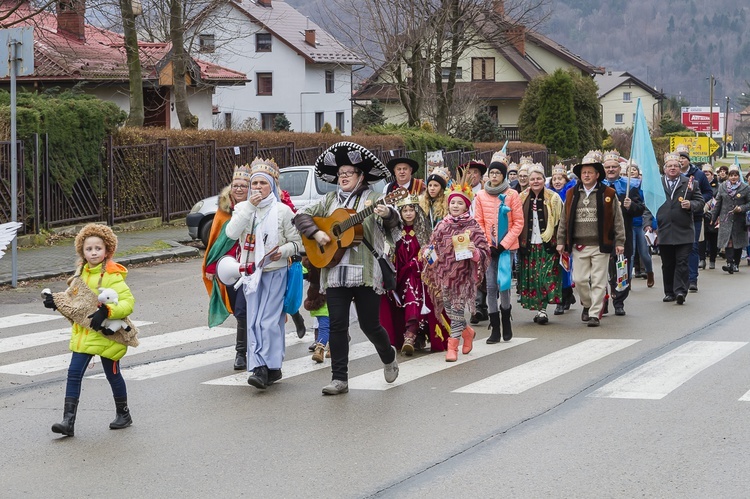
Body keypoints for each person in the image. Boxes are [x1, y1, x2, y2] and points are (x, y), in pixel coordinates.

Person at [294, 142, 400, 395]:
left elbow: (394, 224)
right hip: (334, 273)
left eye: (348, 173)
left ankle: (388, 355)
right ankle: (339, 379)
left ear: (361, 176)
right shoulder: (328, 200)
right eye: (340, 174)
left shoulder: (374, 199)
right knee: (337, 325)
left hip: (365, 273)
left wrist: (387, 214)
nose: (343, 177)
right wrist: (317, 233)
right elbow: (300, 215)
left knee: (369, 325)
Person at [43, 223, 135, 437]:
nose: (93, 252)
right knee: (73, 374)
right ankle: (68, 421)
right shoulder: (79, 274)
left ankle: (124, 413)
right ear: (82, 252)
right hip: (84, 333)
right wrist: (54, 301)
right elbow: (72, 300)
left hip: (107, 335)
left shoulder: (113, 275)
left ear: (107, 250)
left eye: (98, 248)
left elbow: (128, 302)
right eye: (89, 249)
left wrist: (107, 311)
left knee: (113, 375)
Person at [225, 157, 301, 390]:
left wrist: (284, 251)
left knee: (268, 321)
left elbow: (298, 243)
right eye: (254, 184)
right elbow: (231, 233)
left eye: (262, 184)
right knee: (253, 321)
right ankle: (261, 367)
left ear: (272, 186)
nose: (257, 188)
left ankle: (269, 366)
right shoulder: (242, 209)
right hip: (250, 274)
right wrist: (249, 206)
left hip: (275, 273)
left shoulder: (282, 210)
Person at [422, 168, 490, 361]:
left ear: (466, 205)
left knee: (458, 309)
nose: (455, 206)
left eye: (460, 203)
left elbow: (483, 252)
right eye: (453, 202)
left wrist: (474, 251)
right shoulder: (442, 224)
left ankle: (453, 347)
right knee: (450, 310)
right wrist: (428, 253)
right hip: (444, 274)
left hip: (464, 276)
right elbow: (432, 245)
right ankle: (467, 332)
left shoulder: (473, 225)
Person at [556, 151, 626, 327]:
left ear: (597, 175)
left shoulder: (608, 193)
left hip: (600, 245)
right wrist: (560, 241)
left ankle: (595, 313)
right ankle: (587, 305)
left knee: (598, 281)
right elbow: (564, 220)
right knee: (579, 280)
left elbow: (618, 220)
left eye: (590, 172)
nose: (586, 175)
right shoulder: (572, 194)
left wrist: (620, 242)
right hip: (578, 245)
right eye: (583, 172)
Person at [381, 195, 448, 355]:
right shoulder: (394, 233)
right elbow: (389, 255)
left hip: (421, 276)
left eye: (412, 209)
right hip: (399, 277)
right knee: (408, 289)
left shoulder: (425, 232)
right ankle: (411, 336)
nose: (409, 213)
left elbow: (432, 259)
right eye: (405, 210)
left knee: (414, 290)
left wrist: (419, 264)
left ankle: (410, 336)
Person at [473, 151, 523, 342]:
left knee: (504, 283)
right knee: (491, 285)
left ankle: (506, 319)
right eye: (491, 173)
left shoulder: (512, 195)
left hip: (506, 248)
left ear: (503, 175)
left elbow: (518, 223)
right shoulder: (480, 196)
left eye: (497, 173)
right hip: (488, 249)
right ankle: (495, 327)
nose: (494, 176)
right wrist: (487, 245)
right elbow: (478, 222)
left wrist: (502, 245)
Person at [644, 152, 704, 305]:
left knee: (682, 262)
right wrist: (648, 224)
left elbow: (700, 201)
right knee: (668, 263)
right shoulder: (657, 184)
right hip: (664, 230)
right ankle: (669, 292)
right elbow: (648, 207)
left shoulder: (690, 183)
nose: (672, 168)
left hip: (684, 230)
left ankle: (680, 292)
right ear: (665, 169)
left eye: (675, 166)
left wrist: (691, 205)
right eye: (669, 166)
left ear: (680, 168)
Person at [518, 164, 564, 324]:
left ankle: (543, 308)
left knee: (546, 276)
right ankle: (540, 310)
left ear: (544, 180)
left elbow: (560, 222)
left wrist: (561, 242)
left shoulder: (553, 198)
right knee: (533, 279)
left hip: (548, 244)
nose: (535, 181)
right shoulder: (521, 197)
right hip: (528, 244)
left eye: (538, 178)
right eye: (532, 179)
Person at [600, 151, 645, 317]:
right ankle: (602, 302)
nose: (611, 170)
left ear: (620, 169)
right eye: (608, 167)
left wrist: (630, 205)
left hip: (623, 235)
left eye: (614, 167)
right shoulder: (598, 186)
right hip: (601, 235)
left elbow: (640, 210)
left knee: (621, 268)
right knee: (601, 271)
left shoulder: (629, 186)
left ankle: (619, 301)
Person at [675, 144, 713, 293]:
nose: (680, 161)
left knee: (693, 247)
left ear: (688, 160)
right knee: (676, 248)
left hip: (694, 216)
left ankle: (692, 279)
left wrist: (695, 202)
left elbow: (708, 192)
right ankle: (678, 279)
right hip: (676, 217)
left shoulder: (698, 175)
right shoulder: (672, 175)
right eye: (678, 158)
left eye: (683, 158)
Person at [547, 163, 578, 314]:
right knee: (554, 268)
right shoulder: (548, 195)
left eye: (560, 178)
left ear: (566, 180)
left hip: (566, 235)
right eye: (554, 179)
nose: (557, 181)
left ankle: (563, 296)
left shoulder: (571, 194)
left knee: (564, 267)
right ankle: (566, 295)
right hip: (551, 234)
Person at [711, 165, 750, 274]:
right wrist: (713, 217)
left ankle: (736, 264)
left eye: (735, 175)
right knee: (728, 242)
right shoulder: (722, 187)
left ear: (738, 176)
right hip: (726, 219)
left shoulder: (745, 188)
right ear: (728, 176)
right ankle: (729, 263)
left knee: (737, 243)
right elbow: (718, 203)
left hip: (739, 220)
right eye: (731, 175)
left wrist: (741, 208)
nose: (733, 177)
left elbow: (749, 203)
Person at [627, 163, 655, 286]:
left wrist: (651, 224)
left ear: (639, 173)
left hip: (642, 224)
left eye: (634, 170)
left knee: (644, 253)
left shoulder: (643, 187)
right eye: (629, 170)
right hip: (629, 224)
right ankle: (627, 280)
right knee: (631, 254)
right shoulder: (625, 186)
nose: (632, 172)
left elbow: (649, 206)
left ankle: (650, 273)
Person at [302, 260, 330, 363]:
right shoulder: (310, 259)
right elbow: (303, 272)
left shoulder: (334, 255)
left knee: (326, 326)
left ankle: (320, 349)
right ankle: (326, 348)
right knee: (326, 325)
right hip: (318, 298)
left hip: (330, 295)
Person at [699, 164, 720, 269]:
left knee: (713, 239)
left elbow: (719, 200)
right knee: (701, 238)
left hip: (713, 214)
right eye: (704, 173)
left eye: (708, 173)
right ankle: (702, 259)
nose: (706, 175)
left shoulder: (718, 186)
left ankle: (712, 260)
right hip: (701, 214)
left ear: (712, 175)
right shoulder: (698, 185)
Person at [419, 166, 451, 231]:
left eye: (436, 185)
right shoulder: (421, 202)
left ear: (442, 188)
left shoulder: (447, 203)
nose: (432, 188)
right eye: (430, 185)